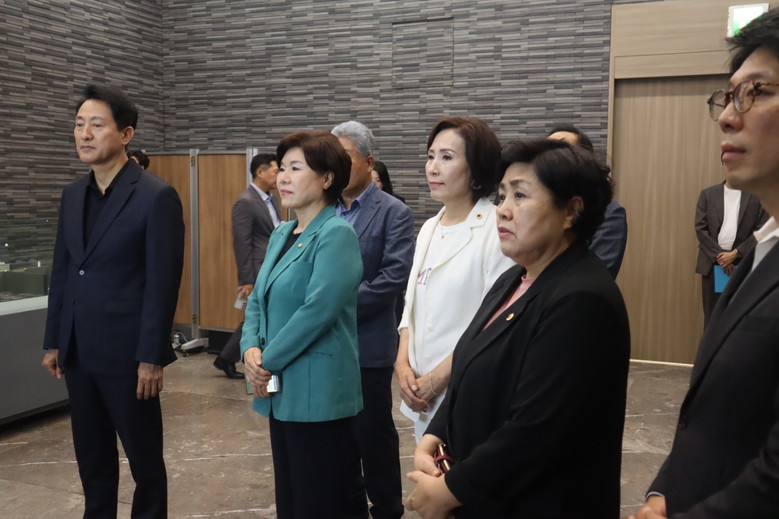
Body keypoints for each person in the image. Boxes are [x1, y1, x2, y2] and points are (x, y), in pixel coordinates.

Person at [405, 138, 630, 519]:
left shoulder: (581, 297)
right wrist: (433, 436)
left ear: (571, 210)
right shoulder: (513, 280)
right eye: (502, 196)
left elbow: (537, 429)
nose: (503, 210)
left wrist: (448, 492)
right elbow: (469, 364)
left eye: (520, 195)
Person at [631, 8, 779, 519]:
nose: (727, 116)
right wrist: (663, 491)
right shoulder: (766, 248)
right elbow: (713, 415)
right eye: (729, 96)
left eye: (757, 92)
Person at [41, 84, 185, 519]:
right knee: (92, 460)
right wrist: (55, 340)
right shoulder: (72, 195)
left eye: (96, 125)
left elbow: (162, 283)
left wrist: (151, 356)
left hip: (128, 356)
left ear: (125, 134)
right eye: (79, 124)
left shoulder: (155, 196)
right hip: (79, 352)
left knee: (145, 462)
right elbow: (64, 272)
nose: (84, 134)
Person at [240, 131, 363, 519]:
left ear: (327, 178)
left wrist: (265, 361)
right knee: (291, 496)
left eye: (296, 168)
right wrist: (249, 348)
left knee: (319, 499)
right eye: (282, 168)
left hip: (319, 393)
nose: (283, 178)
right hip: (279, 389)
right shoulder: (282, 233)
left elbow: (316, 313)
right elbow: (258, 299)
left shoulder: (337, 234)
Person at [395, 117, 515, 442]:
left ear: (476, 167)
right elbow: (411, 306)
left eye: (447, 157)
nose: (433, 168)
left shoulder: (495, 229)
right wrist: (402, 364)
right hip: (420, 392)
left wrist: (438, 378)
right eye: (430, 156)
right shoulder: (429, 228)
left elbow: (495, 321)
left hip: (466, 389)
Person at [331, 121, 415, 519]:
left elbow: (392, 278)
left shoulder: (393, 212)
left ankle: (386, 509)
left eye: (344, 157)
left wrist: (330, 307)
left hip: (367, 346)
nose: (335, 166)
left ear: (368, 162)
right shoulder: (323, 208)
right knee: (336, 439)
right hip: (325, 347)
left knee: (373, 437)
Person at [212, 153, 281, 379]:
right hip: (258, 269)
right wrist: (246, 279)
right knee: (258, 315)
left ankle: (227, 357)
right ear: (260, 172)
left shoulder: (271, 199)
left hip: (272, 266)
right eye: (276, 171)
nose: (279, 176)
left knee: (259, 315)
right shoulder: (246, 201)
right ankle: (229, 357)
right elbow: (242, 242)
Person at [547, 124, 628, 277]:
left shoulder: (609, 213)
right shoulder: (535, 206)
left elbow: (596, 276)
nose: (550, 158)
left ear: (584, 161)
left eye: (561, 151)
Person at [694, 172, 766, 327]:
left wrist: (736, 253)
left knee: (739, 318)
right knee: (712, 318)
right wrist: (721, 257)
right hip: (713, 265)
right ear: (723, 165)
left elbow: (761, 230)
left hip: (743, 265)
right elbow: (700, 228)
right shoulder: (707, 194)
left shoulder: (757, 196)